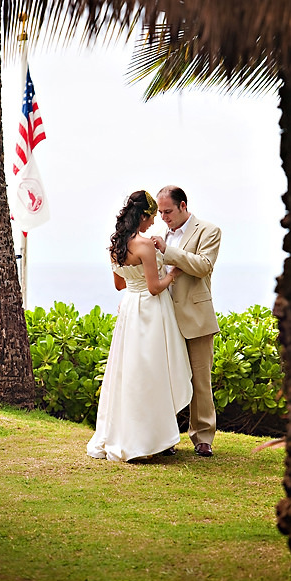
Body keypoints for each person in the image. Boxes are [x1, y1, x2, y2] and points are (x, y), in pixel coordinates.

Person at [87, 191, 193, 462]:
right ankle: (148, 439)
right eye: (152, 217)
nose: (154, 222)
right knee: (151, 373)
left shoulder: (116, 246)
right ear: (142, 216)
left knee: (129, 373)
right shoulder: (144, 245)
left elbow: (119, 285)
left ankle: (135, 435)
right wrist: (171, 274)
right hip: (150, 312)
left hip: (130, 310)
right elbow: (154, 288)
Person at [152, 185, 221, 457]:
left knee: (200, 380)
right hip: (164, 318)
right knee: (165, 378)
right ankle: (166, 437)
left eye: (167, 211)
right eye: (159, 212)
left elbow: (203, 265)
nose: (163, 217)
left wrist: (168, 251)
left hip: (196, 318)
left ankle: (203, 437)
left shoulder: (209, 230)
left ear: (183, 206)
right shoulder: (160, 235)